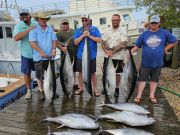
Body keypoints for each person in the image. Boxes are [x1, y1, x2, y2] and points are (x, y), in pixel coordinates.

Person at [131, 15, 177, 104]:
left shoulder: (164, 32)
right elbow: (137, 46)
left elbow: (174, 41)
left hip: (158, 62)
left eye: (155, 23)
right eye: (152, 22)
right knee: (142, 79)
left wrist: (167, 48)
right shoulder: (144, 34)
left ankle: (152, 95)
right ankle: (139, 95)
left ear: (159, 23)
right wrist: (129, 53)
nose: (154, 24)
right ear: (150, 23)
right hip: (145, 62)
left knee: (154, 79)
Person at [29, 12, 57, 100]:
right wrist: (41, 52)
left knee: (51, 75)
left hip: (50, 57)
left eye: (44, 19)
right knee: (39, 75)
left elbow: (54, 41)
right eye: (41, 19)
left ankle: (51, 90)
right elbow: (32, 42)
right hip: (38, 57)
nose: (43, 20)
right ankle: (41, 91)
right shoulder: (33, 29)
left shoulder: (50, 29)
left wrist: (53, 50)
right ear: (38, 20)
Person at [73, 14, 102, 96]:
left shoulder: (95, 29)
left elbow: (100, 40)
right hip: (80, 55)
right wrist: (83, 35)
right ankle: (81, 88)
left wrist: (89, 35)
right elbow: (75, 42)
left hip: (91, 55)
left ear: (89, 20)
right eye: (83, 20)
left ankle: (95, 89)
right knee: (80, 72)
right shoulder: (78, 30)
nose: (84, 21)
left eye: (86, 20)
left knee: (93, 73)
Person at [101, 14, 128, 98]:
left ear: (119, 20)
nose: (115, 21)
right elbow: (102, 42)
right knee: (106, 73)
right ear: (111, 21)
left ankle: (116, 89)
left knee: (117, 73)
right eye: (113, 20)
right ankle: (106, 87)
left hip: (118, 56)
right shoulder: (107, 30)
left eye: (116, 20)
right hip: (107, 56)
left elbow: (123, 44)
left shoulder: (123, 31)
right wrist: (106, 51)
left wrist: (113, 52)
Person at [13, 9, 37, 100]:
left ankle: (41, 89)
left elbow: (45, 29)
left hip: (37, 53)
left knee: (40, 72)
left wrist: (58, 30)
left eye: (25, 14)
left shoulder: (35, 23)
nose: (24, 16)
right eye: (22, 15)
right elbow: (16, 38)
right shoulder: (18, 25)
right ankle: (29, 90)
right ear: (20, 16)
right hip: (26, 54)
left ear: (29, 15)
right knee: (27, 73)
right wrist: (28, 30)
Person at [56, 18, 79, 90]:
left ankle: (74, 82)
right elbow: (56, 43)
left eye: (66, 23)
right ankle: (67, 83)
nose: (65, 25)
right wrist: (62, 48)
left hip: (75, 54)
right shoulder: (59, 33)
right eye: (64, 24)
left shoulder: (74, 31)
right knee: (65, 70)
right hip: (64, 55)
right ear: (62, 25)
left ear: (69, 24)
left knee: (75, 69)